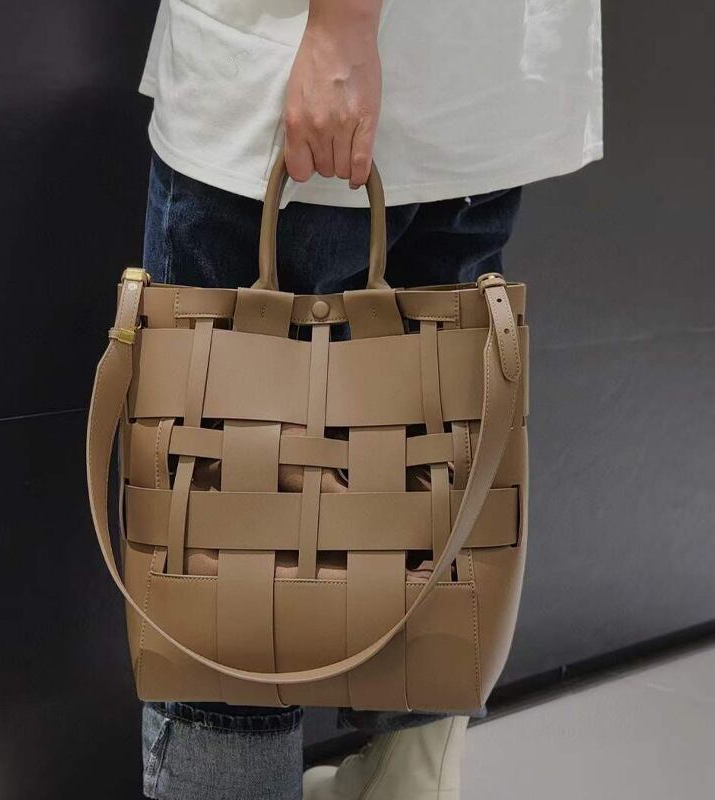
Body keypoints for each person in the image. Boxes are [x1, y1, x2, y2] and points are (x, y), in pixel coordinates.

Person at [137, 1, 602, 798]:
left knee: (223, 567)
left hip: (302, 74)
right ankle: (405, 778)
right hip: (478, 84)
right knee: (429, 482)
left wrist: (341, 29)